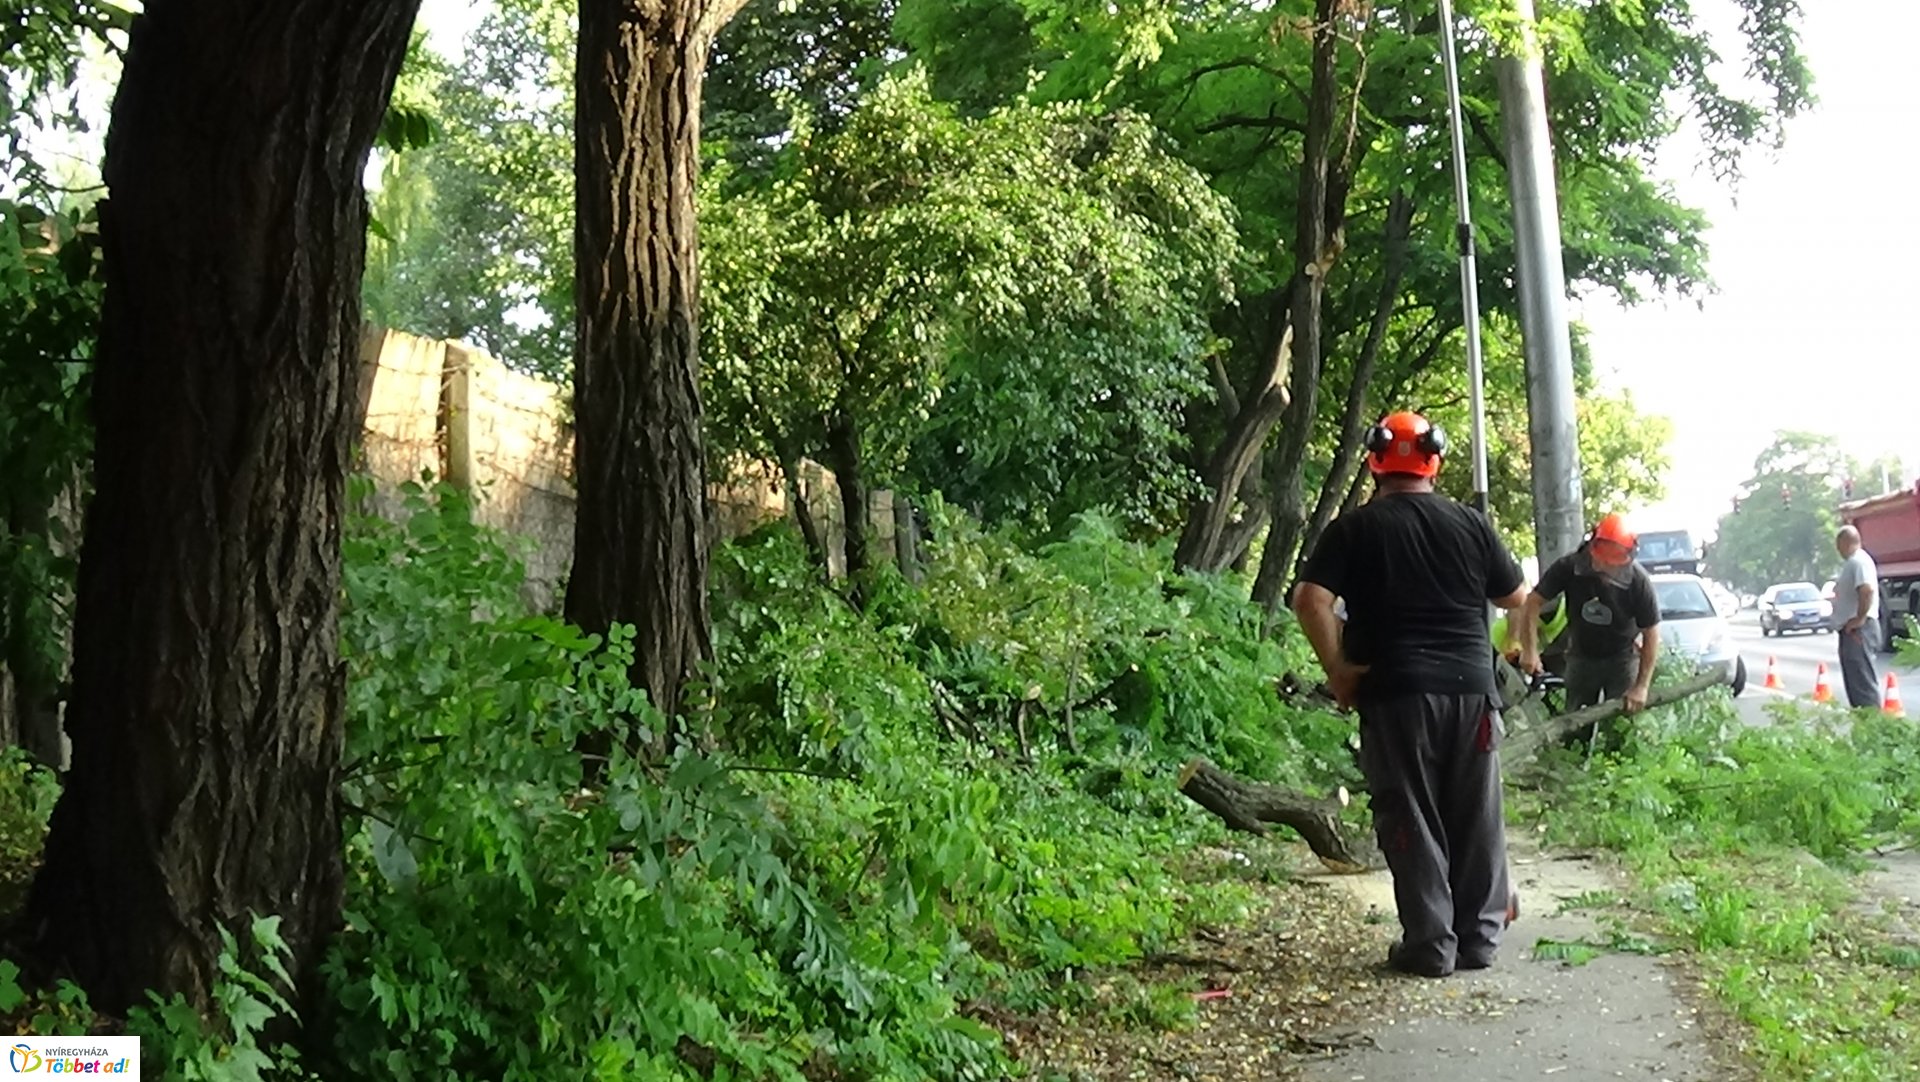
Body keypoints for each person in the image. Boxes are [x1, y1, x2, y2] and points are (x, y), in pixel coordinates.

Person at [1293, 410, 1529, 978]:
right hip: (1472, 694)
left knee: (1410, 813)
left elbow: (1309, 600)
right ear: (1435, 462)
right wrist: (1515, 653)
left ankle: (1430, 944)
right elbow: (1518, 597)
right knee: (1477, 816)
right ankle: (1479, 941)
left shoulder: (1355, 528)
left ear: (1374, 463)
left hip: (1396, 692)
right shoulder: (1472, 525)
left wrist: (1339, 671)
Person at [1515, 513, 1661, 715]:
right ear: (1592, 548)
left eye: (1613, 565)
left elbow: (1651, 632)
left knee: (1620, 724)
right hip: (1581, 654)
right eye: (1602, 562)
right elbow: (1533, 602)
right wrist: (1529, 649)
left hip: (1622, 656)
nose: (1606, 569)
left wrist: (1641, 686)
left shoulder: (1638, 581)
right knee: (1575, 722)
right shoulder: (1569, 567)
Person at [1832, 525, 1880, 708]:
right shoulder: (1855, 562)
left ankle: (1871, 725)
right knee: (1856, 680)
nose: (1838, 550)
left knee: (1862, 681)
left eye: (1838, 546)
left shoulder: (1858, 562)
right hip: (1854, 630)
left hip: (1859, 630)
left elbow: (1866, 589)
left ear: (1845, 542)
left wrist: (1859, 617)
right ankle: (1863, 721)